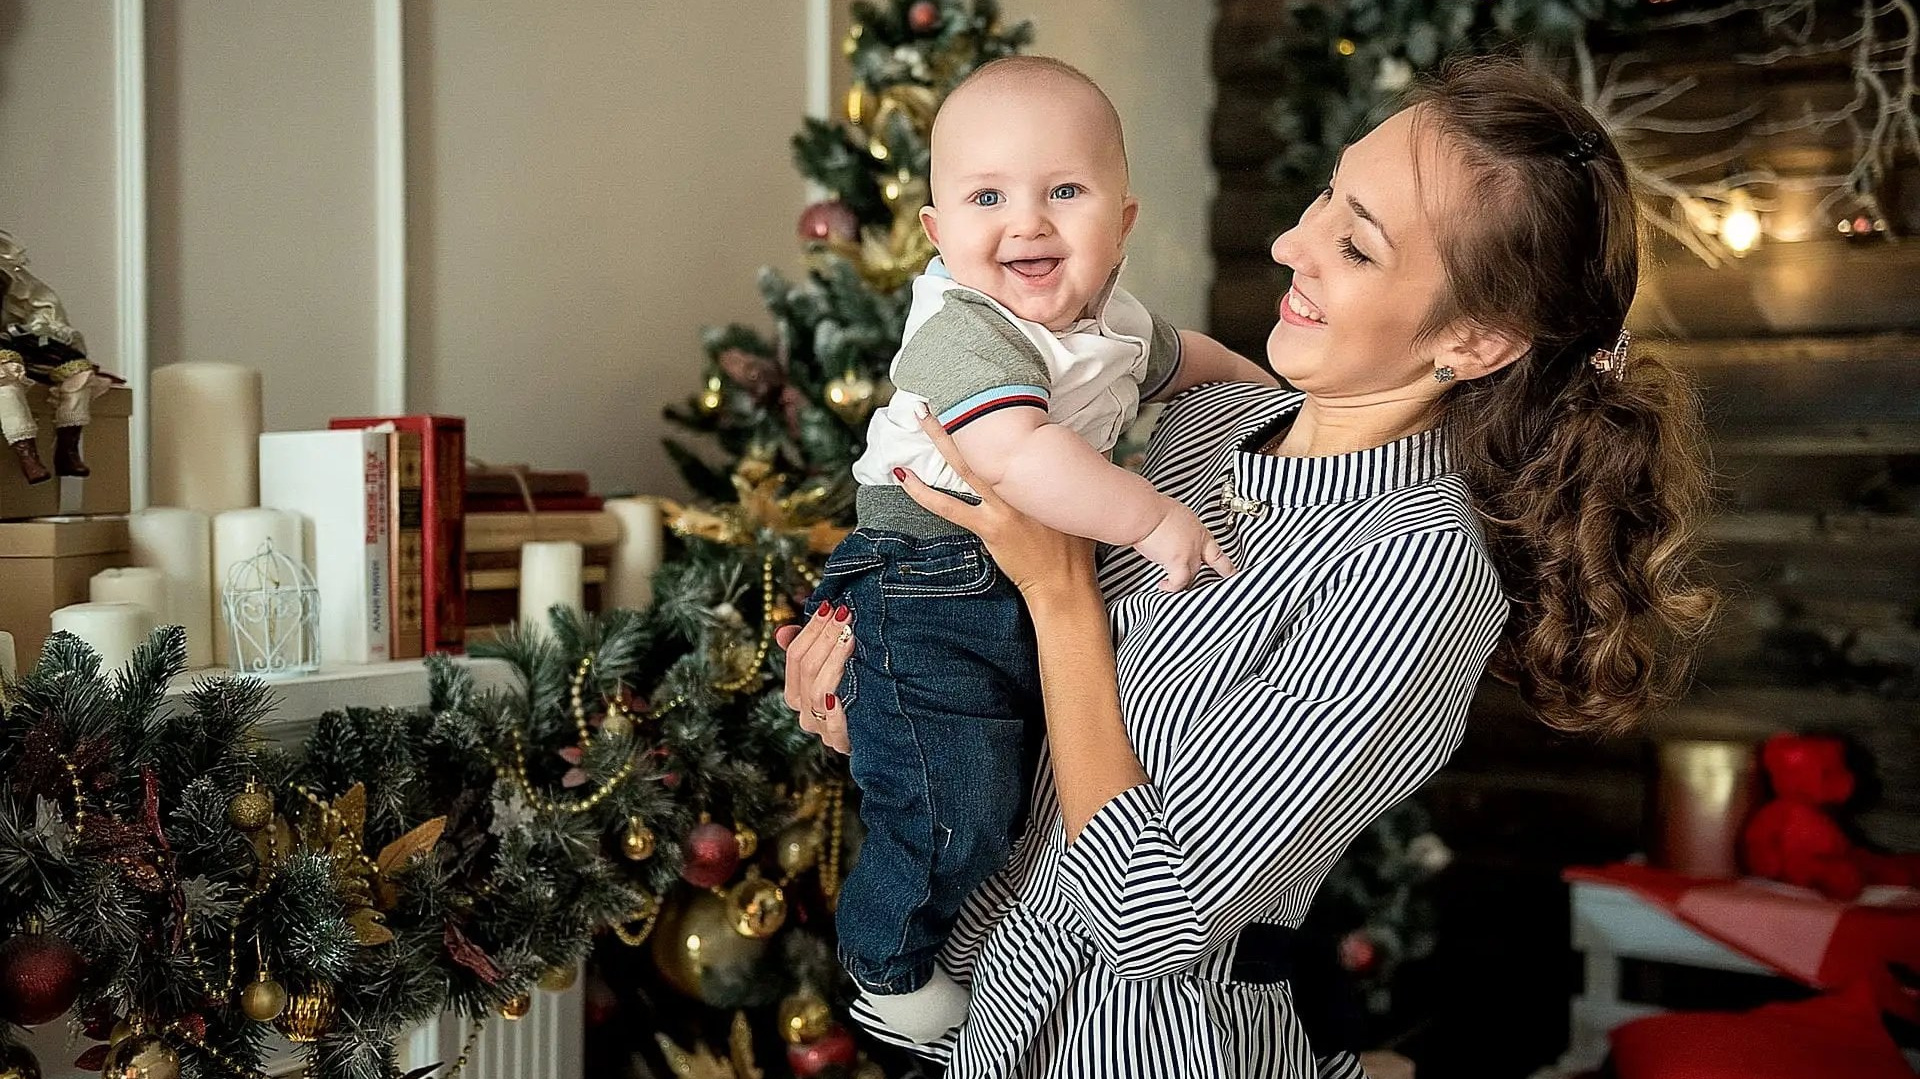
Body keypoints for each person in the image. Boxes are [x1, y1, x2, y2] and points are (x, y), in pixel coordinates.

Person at [779, 58, 1717, 1077]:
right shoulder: (1208, 426)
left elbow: (1152, 917)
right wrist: (873, 668)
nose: (1289, 245)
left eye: (1355, 244)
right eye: (1324, 195)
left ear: (1475, 338)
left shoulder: (1415, 572)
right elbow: (1036, 701)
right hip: (983, 1020)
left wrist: (1059, 597)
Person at [816, 55, 1274, 1043]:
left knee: (1008, 783)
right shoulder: (963, 330)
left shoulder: (1111, 320)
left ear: (1122, 219)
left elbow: (1191, 359)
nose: (1026, 222)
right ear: (938, 234)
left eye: (1065, 191)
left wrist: (1265, 393)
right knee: (958, 799)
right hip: (924, 578)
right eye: (988, 196)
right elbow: (1019, 461)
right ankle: (885, 965)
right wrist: (1151, 518)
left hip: (1004, 583)